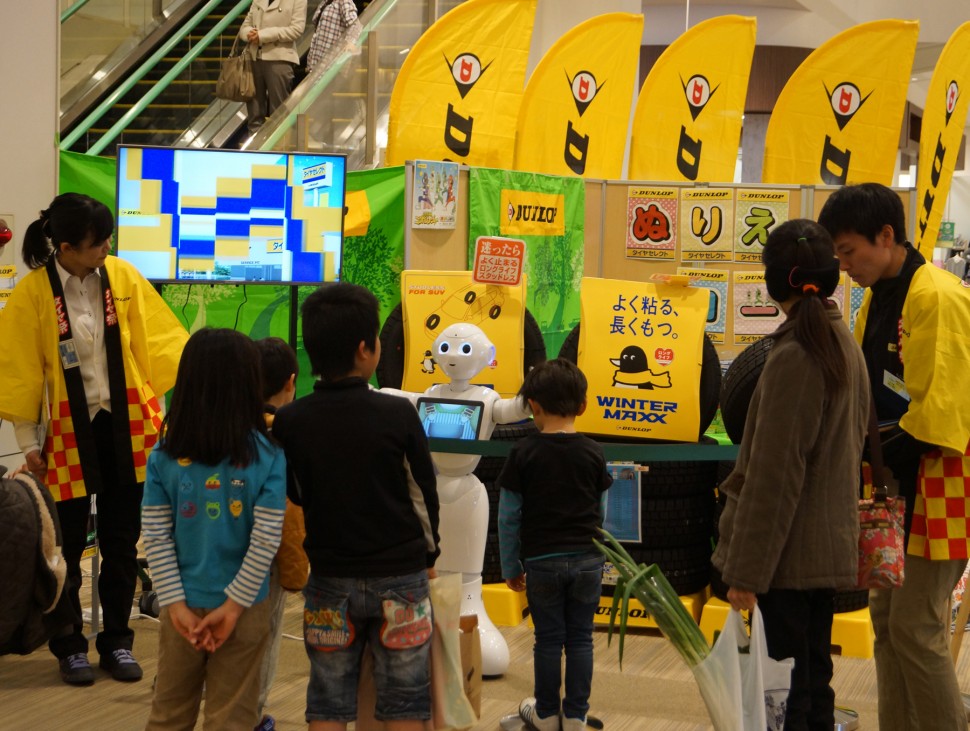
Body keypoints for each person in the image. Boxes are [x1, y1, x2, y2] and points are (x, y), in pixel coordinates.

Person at [0, 193, 187, 686]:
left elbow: (157, 346)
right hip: (64, 433)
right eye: (97, 242)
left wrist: (163, 418)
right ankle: (68, 645)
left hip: (127, 427)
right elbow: (19, 369)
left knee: (123, 542)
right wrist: (28, 442)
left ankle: (117, 642)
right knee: (66, 547)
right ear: (65, 247)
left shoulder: (122, 277)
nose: (106, 248)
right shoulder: (32, 294)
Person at [819, 183, 970, 731]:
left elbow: (939, 419)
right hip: (892, 484)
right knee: (885, 620)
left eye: (849, 251)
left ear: (886, 236)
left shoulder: (935, 295)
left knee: (916, 627)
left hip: (938, 480)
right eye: (837, 256)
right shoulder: (878, 296)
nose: (844, 265)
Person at [712, 218, 870, 731]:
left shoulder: (797, 355)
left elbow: (774, 478)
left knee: (785, 697)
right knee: (809, 683)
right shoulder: (842, 343)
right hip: (822, 553)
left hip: (785, 561)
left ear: (773, 283)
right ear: (830, 278)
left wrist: (746, 573)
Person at [271, 283, 440, 731]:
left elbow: (296, 492)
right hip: (401, 576)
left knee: (328, 697)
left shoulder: (291, 421)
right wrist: (430, 557)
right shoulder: (399, 414)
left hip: (329, 578)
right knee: (405, 699)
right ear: (367, 350)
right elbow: (422, 495)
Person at [142, 328, 287, 730]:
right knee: (232, 717)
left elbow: (155, 536)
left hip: (180, 608)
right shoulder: (268, 454)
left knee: (168, 714)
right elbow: (265, 540)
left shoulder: (164, 454)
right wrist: (233, 607)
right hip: (246, 608)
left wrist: (176, 606)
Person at [497, 358, 613, 731]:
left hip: (541, 563)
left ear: (532, 405)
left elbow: (509, 517)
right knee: (581, 640)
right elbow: (602, 511)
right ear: (583, 406)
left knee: (547, 641)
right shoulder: (594, 452)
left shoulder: (523, 453)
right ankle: (576, 715)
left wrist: (510, 567)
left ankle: (546, 714)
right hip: (588, 562)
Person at [254, 336, 305, 731]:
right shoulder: (285, 434)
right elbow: (289, 514)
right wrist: (295, 571)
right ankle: (252, 716)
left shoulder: (221, 427)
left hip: (209, 554)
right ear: (291, 381)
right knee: (263, 635)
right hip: (264, 560)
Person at [240, 0, 308, 138]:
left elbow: (296, 29)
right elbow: (244, 26)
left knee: (278, 113)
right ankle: (255, 149)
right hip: (254, 58)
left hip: (280, 60)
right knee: (254, 113)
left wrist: (263, 35)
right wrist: (250, 33)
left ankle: (278, 150)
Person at [305, 0, 359, 75]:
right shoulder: (325, 2)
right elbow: (317, 34)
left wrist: (351, 42)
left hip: (331, 67)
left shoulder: (344, 1)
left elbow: (355, 25)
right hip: (317, 67)